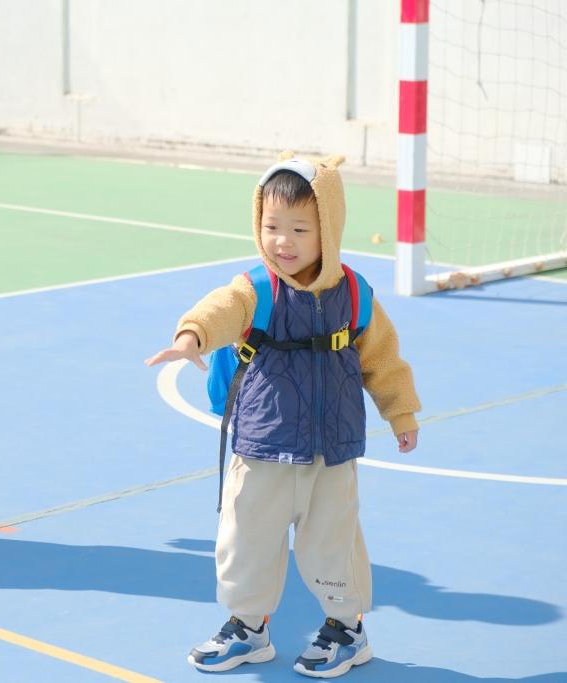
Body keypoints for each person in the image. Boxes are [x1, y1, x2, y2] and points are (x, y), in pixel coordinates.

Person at [146, 152, 421, 678]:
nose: (282, 241)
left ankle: (347, 630)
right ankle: (248, 629)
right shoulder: (255, 289)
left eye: (299, 229)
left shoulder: (355, 295)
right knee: (246, 539)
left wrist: (401, 412)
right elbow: (219, 309)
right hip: (263, 444)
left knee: (333, 545)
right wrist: (190, 336)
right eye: (272, 227)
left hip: (331, 452)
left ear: (328, 231)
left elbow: (383, 359)